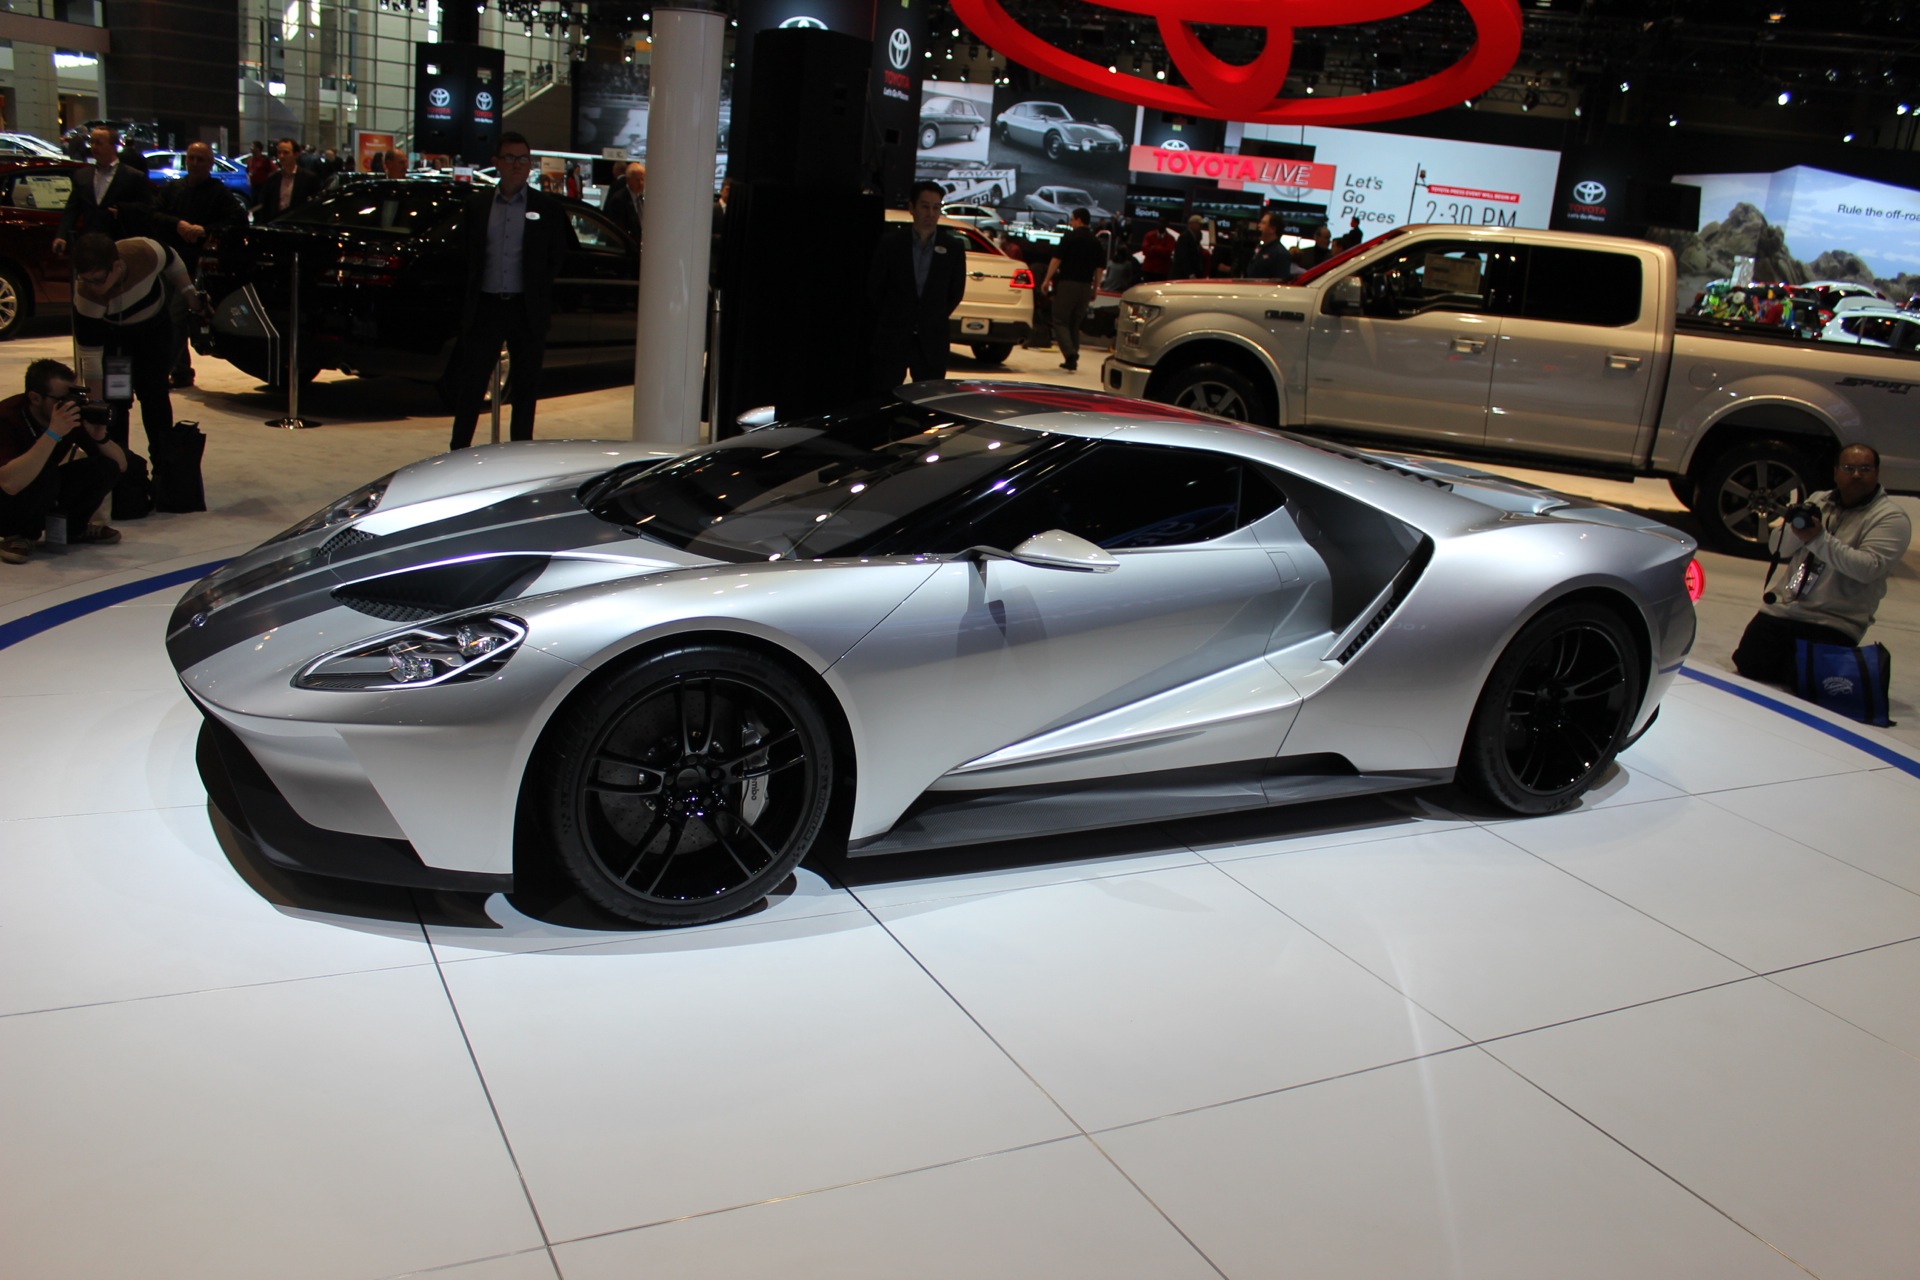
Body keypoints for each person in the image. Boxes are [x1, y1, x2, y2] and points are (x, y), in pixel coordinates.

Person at [1731, 444, 1912, 687]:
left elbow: (1869, 568)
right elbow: (1778, 549)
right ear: (1836, 472)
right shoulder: (1819, 501)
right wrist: (1796, 527)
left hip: (1834, 620)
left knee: (1800, 681)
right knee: (1749, 665)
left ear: (1877, 473)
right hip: (1787, 608)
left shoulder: (1890, 518)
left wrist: (1817, 538)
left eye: (1865, 469)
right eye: (1849, 468)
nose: (1856, 474)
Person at [445, 132, 577, 450]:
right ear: (497, 163)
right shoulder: (477, 207)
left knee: (526, 388)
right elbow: (465, 253)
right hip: (486, 306)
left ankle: (520, 453)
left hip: (526, 309)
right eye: (510, 158)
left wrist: (539, 287)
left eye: (522, 159)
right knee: (472, 385)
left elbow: (559, 254)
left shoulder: (546, 207)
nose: (517, 165)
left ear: (529, 165)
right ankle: (458, 450)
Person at [69, 233, 210, 463]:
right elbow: (91, 357)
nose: (93, 287)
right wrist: (96, 406)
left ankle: (163, 465)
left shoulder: (144, 252)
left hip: (154, 330)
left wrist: (188, 293)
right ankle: (120, 465)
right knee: (117, 401)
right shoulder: (87, 298)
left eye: (98, 279)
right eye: (86, 280)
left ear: (115, 267)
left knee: (155, 395)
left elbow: (172, 258)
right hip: (118, 343)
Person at [0, 359, 128, 563]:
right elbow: (9, 483)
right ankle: (18, 534)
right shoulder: (7, 417)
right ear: (35, 397)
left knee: (104, 467)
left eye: (73, 396)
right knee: (43, 470)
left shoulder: (69, 414)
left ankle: (74, 529)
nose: (69, 404)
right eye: (61, 399)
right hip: (7, 498)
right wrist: (53, 433)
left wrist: (99, 438)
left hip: (42, 484)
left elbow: (121, 466)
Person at [150, 141, 246, 387]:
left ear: (210, 164)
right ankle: (181, 370)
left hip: (195, 264)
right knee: (167, 317)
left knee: (176, 316)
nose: (194, 163)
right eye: (191, 158)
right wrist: (178, 224)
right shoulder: (173, 188)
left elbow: (237, 220)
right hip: (169, 259)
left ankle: (164, 371)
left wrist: (204, 230)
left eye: (200, 159)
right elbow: (153, 213)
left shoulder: (218, 192)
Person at [867, 180, 967, 389]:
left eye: (936, 207)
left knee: (928, 400)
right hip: (893, 336)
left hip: (932, 339)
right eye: (925, 206)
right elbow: (876, 288)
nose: (931, 213)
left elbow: (955, 293)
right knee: (883, 394)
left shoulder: (953, 248)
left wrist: (931, 315)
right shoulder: (891, 244)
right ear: (912, 208)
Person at [52, 125, 152, 256]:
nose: (93, 147)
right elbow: (72, 208)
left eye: (99, 143)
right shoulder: (82, 175)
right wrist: (62, 235)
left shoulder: (133, 176)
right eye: (91, 142)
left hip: (119, 244)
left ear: (114, 146)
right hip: (90, 244)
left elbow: (146, 208)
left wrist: (122, 209)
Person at [1043, 207, 1103, 373]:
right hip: (1085, 286)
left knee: (1060, 319)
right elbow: (1099, 269)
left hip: (1068, 284)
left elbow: (1056, 260)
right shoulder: (1095, 241)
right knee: (1074, 323)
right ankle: (1072, 359)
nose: (1070, 223)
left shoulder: (1070, 237)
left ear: (1078, 220)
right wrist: (1095, 289)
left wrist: (1047, 279)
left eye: (1072, 220)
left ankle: (1070, 354)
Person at [250, 138, 320, 223]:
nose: (281, 156)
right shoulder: (272, 180)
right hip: (277, 226)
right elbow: (266, 207)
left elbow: (314, 207)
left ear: (296, 154)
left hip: (299, 226)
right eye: (279, 153)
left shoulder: (309, 179)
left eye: (286, 153)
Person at [603, 161, 645, 243]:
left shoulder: (643, 199)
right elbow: (618, 231)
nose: (640, 183)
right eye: (637, 180)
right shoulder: (618, 200)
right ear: (628, 180)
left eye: (642, 179)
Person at [1246, 212, 1292, 278]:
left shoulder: (1280, 254)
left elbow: (1280, 280)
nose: (1259, 225)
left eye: (1263, 223)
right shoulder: (1261, 247)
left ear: (1272, 229)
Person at [1170, 214, 1208, 279]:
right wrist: (1190, 273)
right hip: (1183, 275)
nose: (1201, 226)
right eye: (1199, 224)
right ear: (1191, 224)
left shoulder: (1195, 237)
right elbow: (1184, 257)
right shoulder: (1185, 237)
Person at [1139, 217, 1176, 282]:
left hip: (1162, 271)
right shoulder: (1149, 235)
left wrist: (1154, 248)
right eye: (1160, 222)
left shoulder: (1170, 238)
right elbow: (1145, 250)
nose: (1161, 224)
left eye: (1163, 223)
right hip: (1149, 269)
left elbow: (1168, 252)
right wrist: (1161, 249)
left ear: (1167, 224)